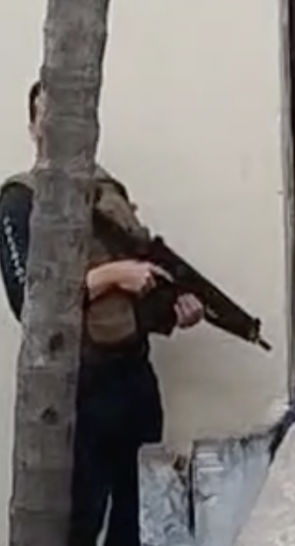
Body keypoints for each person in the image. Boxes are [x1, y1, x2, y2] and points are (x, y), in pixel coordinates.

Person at [0, 80, 206, 546]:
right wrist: (112, 276)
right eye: (46, 117)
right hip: (75, 389)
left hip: (134, 378)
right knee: (79, 522)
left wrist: (176, 310)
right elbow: (28, 305)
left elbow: (140, 289)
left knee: (137, 520)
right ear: (32, 128)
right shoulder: (19, 200)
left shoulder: (109, 191)